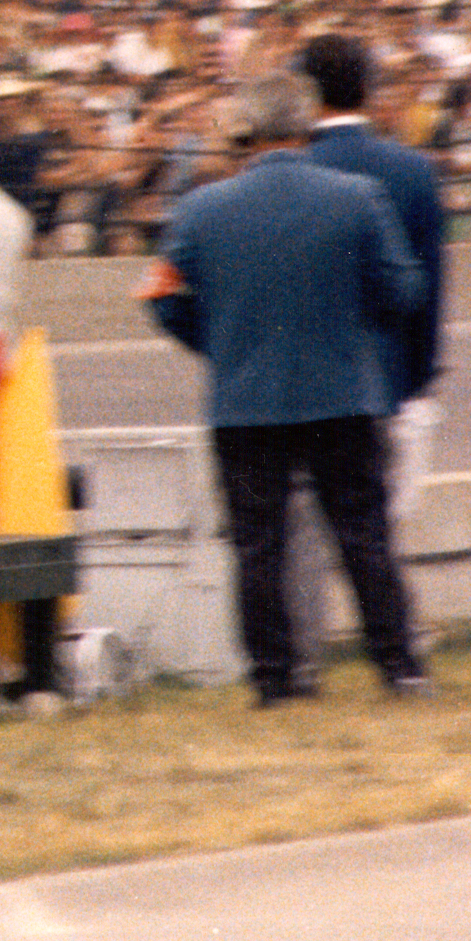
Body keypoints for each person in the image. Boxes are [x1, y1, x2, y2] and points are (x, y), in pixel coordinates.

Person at [142, 70, 432, 707]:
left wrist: (215, 341)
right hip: (344, 393)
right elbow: (405, 290)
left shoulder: (201, 207)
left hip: (245, 399)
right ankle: (398, 665)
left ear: (246, 130)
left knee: (257, 545)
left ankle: (275, 678)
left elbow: (159, 295)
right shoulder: (358, 197)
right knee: (363, 535)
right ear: (306, 125)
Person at [283, 34, 447, 690]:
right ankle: (399, 655)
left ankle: (296, 662)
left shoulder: (288, 166)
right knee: (373, 530)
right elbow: (427, 288)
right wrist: (419, 377)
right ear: (366, 88)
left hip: (297, 376)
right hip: (385, 372)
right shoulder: (410, 171)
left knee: (294, 534)